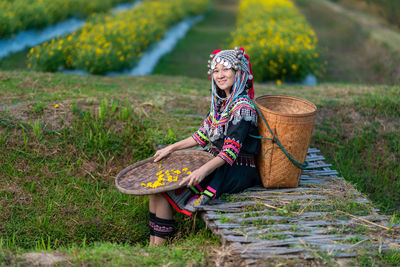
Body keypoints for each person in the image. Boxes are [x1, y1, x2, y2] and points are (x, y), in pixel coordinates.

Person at [148, 47, 261, 246]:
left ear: (238, 72)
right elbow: (201, 136)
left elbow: (229, 152)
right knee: (156, 189)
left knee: (167, 190)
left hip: (236, 168)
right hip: (215, 160)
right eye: (216, 71)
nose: (220, 75)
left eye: (225, 70)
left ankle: (158, 248)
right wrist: (171, 148)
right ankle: (152, 246)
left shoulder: (243, 107)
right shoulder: (221, 105)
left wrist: (202, 170)